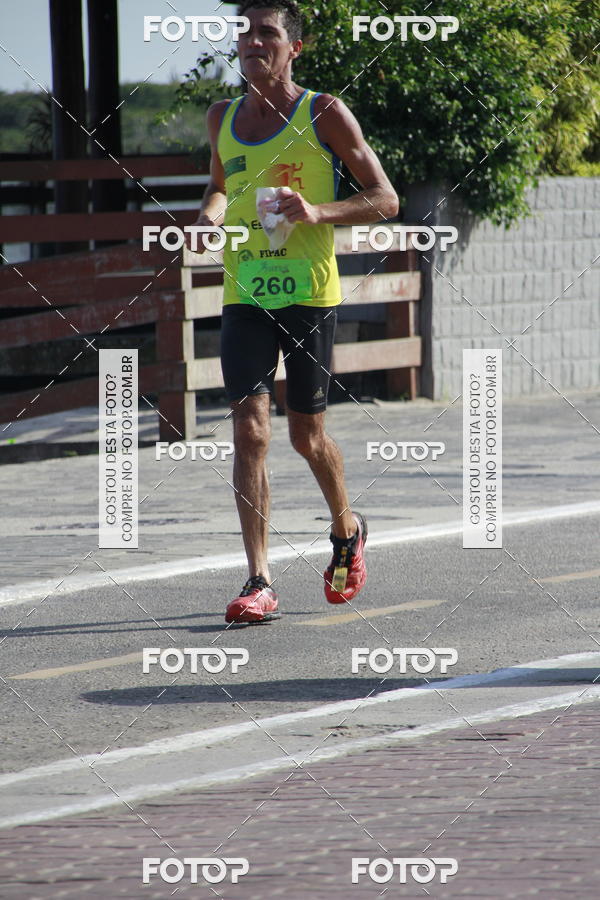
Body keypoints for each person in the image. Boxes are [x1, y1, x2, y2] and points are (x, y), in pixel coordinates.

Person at [187, 0, 399, 623]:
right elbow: (221, 185)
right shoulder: (221, 116)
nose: (254, 42)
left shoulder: (324, 112)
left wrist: (318, 212)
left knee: (308, 437)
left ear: (294, 48)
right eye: (246, 33)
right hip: (244, 292)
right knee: (250, 430)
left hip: (308, 292)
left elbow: (384, 198)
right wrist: (208, 217)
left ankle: (346, 529)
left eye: (268, 34)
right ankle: (258, 579)